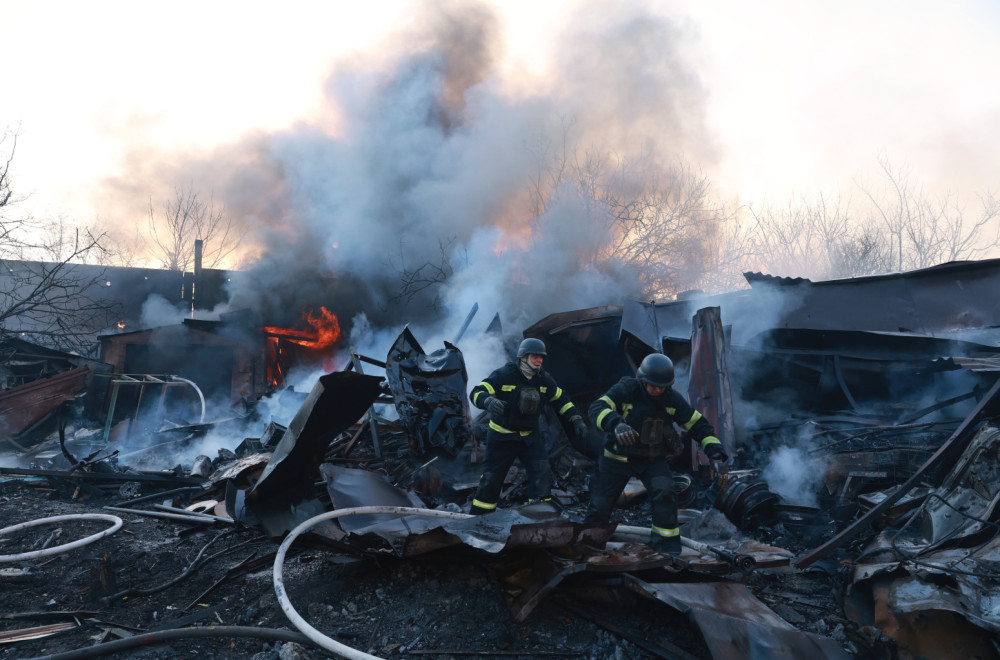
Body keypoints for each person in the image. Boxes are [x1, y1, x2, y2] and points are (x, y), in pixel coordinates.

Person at [584, 353, 728, 555]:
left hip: (652, 460)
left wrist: (716, 454)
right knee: (601, 504)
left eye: (662, 386)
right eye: (653, 385)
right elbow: (597, 407)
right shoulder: (626, 390)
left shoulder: (671, 400)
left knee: (665, 492)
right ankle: (588, 547)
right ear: (642, 380)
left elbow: (699, 425)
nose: (658, 390)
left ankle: (666, 551)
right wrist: (615, 423)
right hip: (617, 458)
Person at [468, 337, 588, 515]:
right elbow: (476, 392)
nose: (539, 360)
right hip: (502, 438)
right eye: (535, 357)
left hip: (530, 438)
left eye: (541, 357)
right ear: (523, 357)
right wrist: (487, 401)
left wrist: (576, 418)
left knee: (541, 475)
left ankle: (539, 516)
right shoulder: (503, 375)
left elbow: (561, 399)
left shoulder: (544, 380)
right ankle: (479, 518)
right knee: (491, 480)